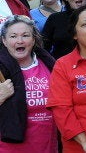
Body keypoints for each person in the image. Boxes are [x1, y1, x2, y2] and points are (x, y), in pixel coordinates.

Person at [47, 6, 86, 152]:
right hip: (81, 148)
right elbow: (62, 110)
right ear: (75, 35)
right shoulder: (63, 65)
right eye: (85, 24)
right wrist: (85, 143)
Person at [0, 15, 57, 151]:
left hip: (47, 145)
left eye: (25, 35)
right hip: (9, 147)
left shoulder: (50, 64)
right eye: (13, 36)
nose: (20, 41)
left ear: (33, 39)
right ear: (4, 41)